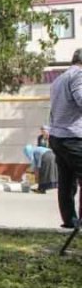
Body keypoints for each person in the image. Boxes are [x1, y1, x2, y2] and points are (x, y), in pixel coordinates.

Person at [49, 48, 82, 229]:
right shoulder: (79, 75)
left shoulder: (59, 79)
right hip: (73, 136)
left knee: (66, 181)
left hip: (58, 136)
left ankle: (70, 220)